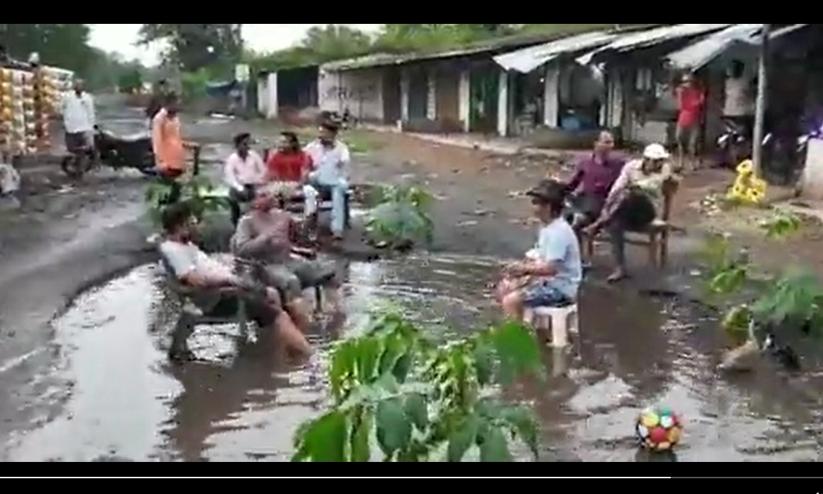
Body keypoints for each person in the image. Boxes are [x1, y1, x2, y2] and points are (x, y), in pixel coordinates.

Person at [159, 202, 311, 359]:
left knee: (272, 293)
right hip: (217, 298)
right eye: (193, 222)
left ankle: (284, 347)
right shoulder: (174, 251)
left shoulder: (185, 246)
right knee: (279, 314)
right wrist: (230, 280)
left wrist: (227, 268)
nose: (197, 226)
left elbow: (202, 268)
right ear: (181, 226)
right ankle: (307, 356)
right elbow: (195, 281)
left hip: (226, 291)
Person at [232, 188, 341, 331]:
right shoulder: (247, 222)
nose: (269, 197)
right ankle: (301, 329)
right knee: (291, 281)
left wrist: (310, 218)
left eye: (269, 193)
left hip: (288, 260)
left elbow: (302, 237)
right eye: (263, 195)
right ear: (254, 201)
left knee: (328, 273)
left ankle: (334, 323)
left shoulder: (282, 216)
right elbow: (242, 250)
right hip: (263, 265)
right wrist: (265, 237)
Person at [583, 143, 677, 283]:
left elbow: (651, 184)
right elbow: (617, 187)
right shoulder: (631, 167)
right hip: (624, 210)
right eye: (656, 161)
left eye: (660, 161)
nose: (659, 164)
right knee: (615, 223)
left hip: (646, 211)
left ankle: (598, 224)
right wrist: (607, 206)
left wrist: (631, 188)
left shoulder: (665, 169)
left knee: (633, 194)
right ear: (646, 160)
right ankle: (620, 267)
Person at [500, 180, 582, 322]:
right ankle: (523, 328)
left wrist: (524, 269)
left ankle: (517, 339)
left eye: (536, 203)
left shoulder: (559, 232)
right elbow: (539, 255)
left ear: (549, 206)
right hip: (549, 283)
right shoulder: (547, 227)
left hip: (561, 289)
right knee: (505, 287)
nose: (533, 207)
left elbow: (550, 269)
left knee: (511, 301)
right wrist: (519, 271)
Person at [563, 130, 625, 260]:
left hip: (607, 205)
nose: (610, 146)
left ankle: (579, 216)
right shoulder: (585, 163)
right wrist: (560, 188)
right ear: (596, 143)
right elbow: (572, 184)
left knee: (589, 213)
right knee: (566, 208)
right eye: (606, 142)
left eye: (611, 142)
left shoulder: (618, 164)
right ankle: (578, 260)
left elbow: (625, 183)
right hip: (587, 203)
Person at [303, 121, 351, 240]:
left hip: (334, 182)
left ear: (333, 134)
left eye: (324, 133)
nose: (321, 136)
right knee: (317, 178)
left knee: (338, 191)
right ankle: (310, 224)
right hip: (315, 181)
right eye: (320, 132)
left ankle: (337, 229)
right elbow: (304, 166)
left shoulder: (342, 148)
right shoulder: (311, 147)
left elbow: (345, 168)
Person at [152, 92, 197, 203]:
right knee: (166, 194)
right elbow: (156, 141)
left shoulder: (175, 119)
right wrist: (160, 162)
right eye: (177, 102)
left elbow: (176, 138)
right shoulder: (159, 119)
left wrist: (189, 146)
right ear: (169, 103)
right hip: (166, 163)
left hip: (178, 161)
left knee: (177, 193)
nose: (179, 105)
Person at [266, 131, 317, 219]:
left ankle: (309, 219)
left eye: (284, 142)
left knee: (310, 192)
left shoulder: (303, 155)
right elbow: (272, 175)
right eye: (279, 142)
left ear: (293, 143)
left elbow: (304, 174)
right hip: (280, 185)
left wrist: (296, 185)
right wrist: (282, 185)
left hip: (299, 185)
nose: (280, 145)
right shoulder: (274, 156)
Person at [224, 132, 267, 225]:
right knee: (234, 199)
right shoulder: (232, 159)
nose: (247, 147)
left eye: (248, 144)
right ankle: (236, 224)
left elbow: (263, 170)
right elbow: (230, 177)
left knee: (258, 202)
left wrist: (258, 181)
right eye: (244, 144)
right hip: (238, 187)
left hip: (253, 185)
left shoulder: (254, 155)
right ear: (237, 145)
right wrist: (240, 188)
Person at [675, 73, 706, 170]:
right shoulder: (681, 92)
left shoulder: (698, 92)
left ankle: (692, 163)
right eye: (684, 82)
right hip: (683, 117)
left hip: (694, 119)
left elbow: (700, 103)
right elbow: (680, 105)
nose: (687, 84)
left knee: (692, 144)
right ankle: (681, 162)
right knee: (679, 139)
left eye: (689, 81)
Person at [61, 79, 96, 155]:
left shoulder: (87, 98)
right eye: (77, 85)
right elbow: (62, 108)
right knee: (72, 150)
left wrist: (91, 126)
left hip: (84, 128)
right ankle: (75, 162)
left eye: (80, 85)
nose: (78, 87)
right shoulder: (67, 97)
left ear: (83, 87)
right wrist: (64, 121)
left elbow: (91, 112)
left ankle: (84, 164)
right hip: (71, 128)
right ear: (74, 86)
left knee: (86, 149)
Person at [723, 60, 755, 136]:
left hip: (742, 113)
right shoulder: (728, 81)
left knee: (742, 133)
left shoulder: (745, 82)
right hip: (731, 112)